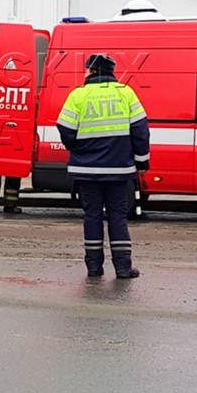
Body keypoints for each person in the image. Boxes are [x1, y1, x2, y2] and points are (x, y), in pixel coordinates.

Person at [57, 53, 151, 280]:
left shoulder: (78, 95)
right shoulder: (126, 93)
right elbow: (140, 130)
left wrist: (79, 149)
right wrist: (141, 161)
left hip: (86, 170)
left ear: (91, 70)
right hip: (119, 169)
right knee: (118, 216)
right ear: (111, 72)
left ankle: (93, 267)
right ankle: (123, 268)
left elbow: (65, 129)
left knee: (92, 216)